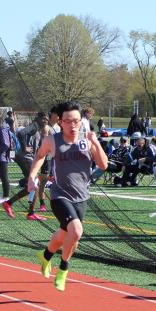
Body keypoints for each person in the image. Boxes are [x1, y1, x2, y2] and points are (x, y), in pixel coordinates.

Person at [29, 100, 108, 292]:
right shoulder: (52, 140)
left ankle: (45, 256)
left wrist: (96, 143)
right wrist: (32, 177)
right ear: (60, 122)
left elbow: (103, 165)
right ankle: (63, 269)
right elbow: (39, 156)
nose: (72, 125)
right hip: (60, 195)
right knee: (77, 231)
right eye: (68, 121)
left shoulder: (87, 140)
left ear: (81, 121)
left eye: (76, 121)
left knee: (66, 233)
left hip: (81, 197)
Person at [2, 112, 49, 220]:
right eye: (43, 119)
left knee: (32, 185)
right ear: (38, 118)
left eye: (46, 119)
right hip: (24, 157)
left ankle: (13, 205)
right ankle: (22, 209)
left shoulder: (38, 128)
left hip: (26, 157)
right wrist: (24, 148)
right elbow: (21, 133)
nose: (45, 121)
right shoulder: (34, 126)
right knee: (34, 184)